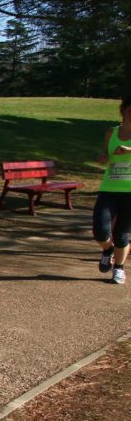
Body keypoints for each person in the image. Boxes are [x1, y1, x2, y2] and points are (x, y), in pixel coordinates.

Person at [93, 94, 131, 285]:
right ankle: (107, 249)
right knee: (100, 230)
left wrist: (129, 150)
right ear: (124, 110)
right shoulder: (112, 132)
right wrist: (103, 157)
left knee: (122, 234)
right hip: (109, 187)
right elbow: (106, 154)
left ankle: (119, 269)